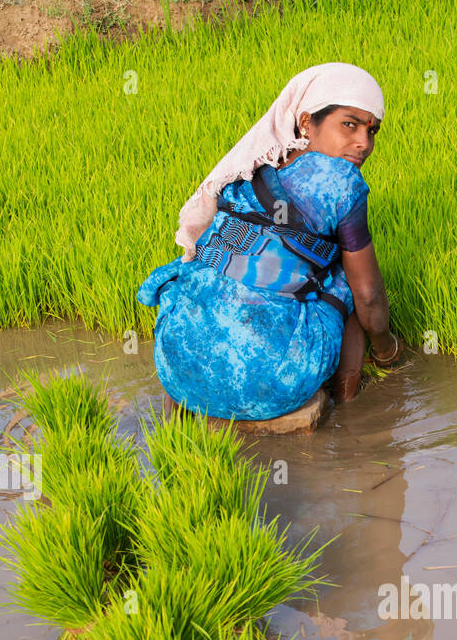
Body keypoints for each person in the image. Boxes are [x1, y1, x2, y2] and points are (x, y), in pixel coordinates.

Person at [136, 61, 405, 422]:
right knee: (348, 279)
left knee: (211, 275)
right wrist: (388, 350)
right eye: (349, 124)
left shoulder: (248, 165)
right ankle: (347, 410)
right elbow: (369, 296)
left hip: (176, 365)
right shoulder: (342, 181)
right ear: (307, 121)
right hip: (272, 388)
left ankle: (181, 415)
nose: (363, 142)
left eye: (372, 131)